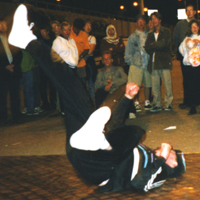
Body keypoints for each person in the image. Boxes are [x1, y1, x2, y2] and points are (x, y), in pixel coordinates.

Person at [9, 4, 186, 193]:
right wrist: (126, 98)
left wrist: (160, 161)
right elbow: (115, 127)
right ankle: (27, 40)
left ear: (172, 166)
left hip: (100, 168)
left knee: (133, 133)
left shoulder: (158, 174)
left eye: (173, 157)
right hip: (83, 147)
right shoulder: (145, 152)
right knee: (71, 83)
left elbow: (139, 184)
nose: (169, 152)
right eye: (172, 153)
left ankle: (97, 138)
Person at [145, 12, 173, 112]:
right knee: (155, 85)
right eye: (152, 19)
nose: (154, 20)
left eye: (156, 18)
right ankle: (157, 104)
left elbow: (164, 44)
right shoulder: (150, 34)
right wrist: (155, 45)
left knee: (167, 84)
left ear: (160, 20)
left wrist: (153, 44)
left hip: (164, 61)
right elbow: (147, 48)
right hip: (153, 62)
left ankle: (168, 103)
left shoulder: (166, 31)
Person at [125, 14, 152, 114]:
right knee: (135, 85)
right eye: (139, 21)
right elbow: (128, 53)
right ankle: (136, 103)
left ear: (145, 22)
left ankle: (147, 102)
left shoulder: (149, 35)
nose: (141, 23)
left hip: (147, 64)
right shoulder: (132, 37)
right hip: (136, 64)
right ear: (136, 23)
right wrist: (132, 62)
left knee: (148, 84)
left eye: (142, 21)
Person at [173, 4, 197, 109]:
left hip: (198, 59)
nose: (189, 12)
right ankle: (187, 101)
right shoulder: (180, 24)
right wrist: (184, 52)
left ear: (195, 12)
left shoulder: (198, 23)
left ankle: (196, 101)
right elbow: (176, 39)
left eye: (191, 10)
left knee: (197, 79)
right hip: (185, 58)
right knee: (187, 80)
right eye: (187, 10)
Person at [0, 18, 22, 124]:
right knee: (2, 97)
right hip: (3, 73)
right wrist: (5, 66)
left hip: (14, 71)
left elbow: (19, 53)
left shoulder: (12, 39)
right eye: (0, 25)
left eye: (4, 25)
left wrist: (14, 65)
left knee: (15, 95)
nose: (3, 27)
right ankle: (3, 118)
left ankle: (16, 116)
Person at [179, 19, 200, 115]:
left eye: (196, 26)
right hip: (190, 66)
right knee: (191, 86)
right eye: (192, 26)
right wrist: (188, 44)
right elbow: (181, 50)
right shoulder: (187, 38)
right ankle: (193, 106)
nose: (194, 28)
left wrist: (198, 42)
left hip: (199, 66)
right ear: (190, 29)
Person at [39, 27, 57, 110]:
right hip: (43, 67)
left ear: (47, 32)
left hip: (51, 67)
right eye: (41, 32)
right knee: (43, 87)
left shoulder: (53, 41)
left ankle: (53, 103)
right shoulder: (39, 43)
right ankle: (45, 103)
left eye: (44, 32)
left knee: (52, 87)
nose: (43, 34)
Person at [83, 20, 98, 101]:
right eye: (86, 25)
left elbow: (90, 50)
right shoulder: (79, 37)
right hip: (80, 62)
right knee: (82, 84)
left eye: (90, 26)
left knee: (91, 84)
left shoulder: (92, 38)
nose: (88, 27)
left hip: (89, 61)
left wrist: (82, 56)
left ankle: (92, 102)